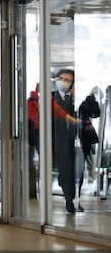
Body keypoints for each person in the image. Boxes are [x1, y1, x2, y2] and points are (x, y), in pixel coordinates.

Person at [52, 69, 82, 214]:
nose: (63, 82)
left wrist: (77, 99)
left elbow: (91, 113)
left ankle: (71, 196)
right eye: (61, 78)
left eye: (67, 80)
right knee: (65, 170)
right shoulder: (50, 97)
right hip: (58, 140)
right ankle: (69, 199)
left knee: (75, 171)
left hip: (76, 142)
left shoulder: (76, 99)